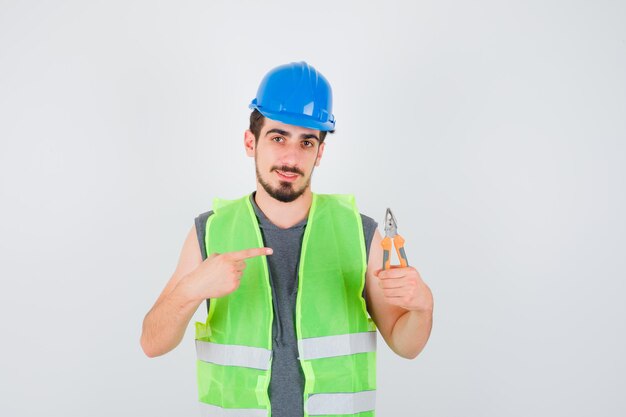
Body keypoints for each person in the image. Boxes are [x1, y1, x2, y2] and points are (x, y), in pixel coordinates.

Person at [140, 61, 434, 417]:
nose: (291, 157)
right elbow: (152, 344)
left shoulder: (359, 232)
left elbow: (406, 345)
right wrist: (192, 289)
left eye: (306, 142)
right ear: (251, 142)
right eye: (278, 137)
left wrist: (422, 306)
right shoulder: (212, 231)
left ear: (319, 153)